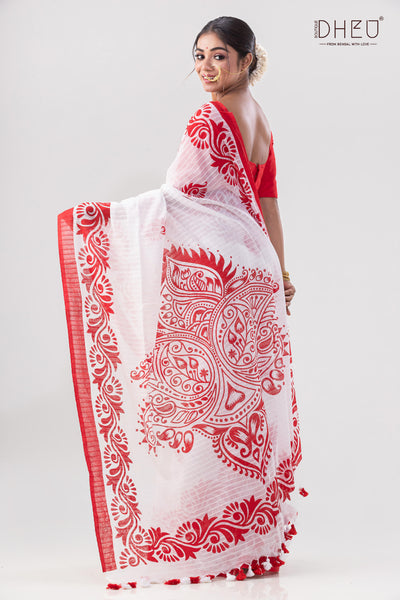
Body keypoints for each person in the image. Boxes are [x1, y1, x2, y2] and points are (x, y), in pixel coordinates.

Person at [58, 15, 305, 590]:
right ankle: (248, 539)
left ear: (246, 60)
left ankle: (208, 542)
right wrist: (280, 272)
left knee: (200, 408)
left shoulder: (208, 119)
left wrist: (100, 222)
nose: (206, 68)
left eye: (219, 56)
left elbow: (178, 198)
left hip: (217, 281)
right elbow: (268, 208)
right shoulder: (262, 121)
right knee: (240, 409)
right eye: (199, 56)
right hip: (253, 276)